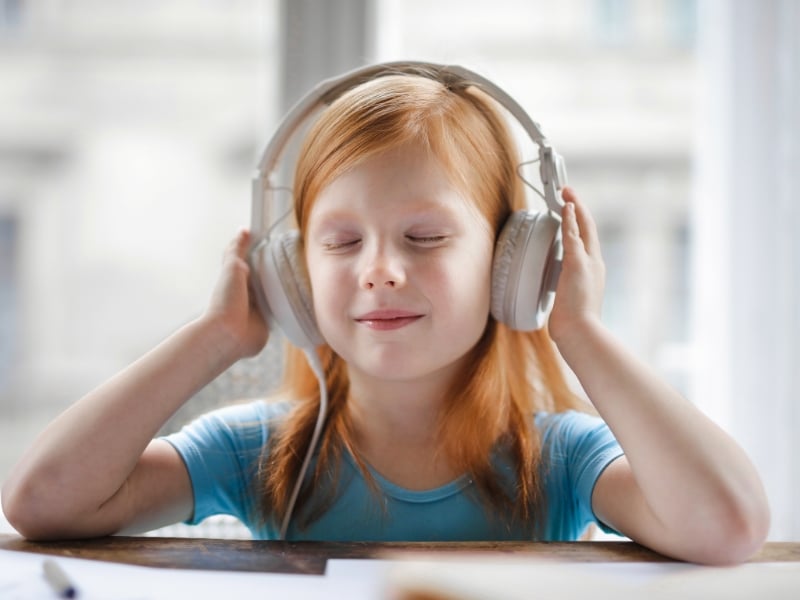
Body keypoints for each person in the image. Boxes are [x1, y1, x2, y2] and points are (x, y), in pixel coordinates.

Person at [2, 66, 769, 565]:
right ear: (291, 275)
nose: (379, 269)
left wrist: (580, 331)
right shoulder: (264, 453)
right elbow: (40, 503)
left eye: (425, 237)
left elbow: (729, 525)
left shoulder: (559, 459)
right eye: (340, 241)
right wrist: (215, 340)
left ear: (516, 264)